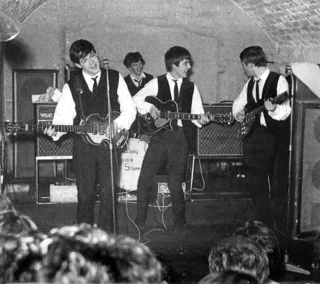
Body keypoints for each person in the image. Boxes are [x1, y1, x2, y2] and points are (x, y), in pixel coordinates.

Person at [44, 39, 136, 234]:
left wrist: (116, 125)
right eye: (85, 60)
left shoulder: (115, 78)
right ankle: (84, 238)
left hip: (110, 145)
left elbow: (130, 109)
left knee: (109, 194)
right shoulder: (71, 86)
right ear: (78, 65)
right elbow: (63, 118)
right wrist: (55, 131)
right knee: (85, 195)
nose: (92, 62)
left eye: (93, 56)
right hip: (83, 149)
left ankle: (107, 238)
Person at [133, 46, 208, 234]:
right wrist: (150, 108)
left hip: (180, 139)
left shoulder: (191, 87)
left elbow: (198, 113)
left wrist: (202, 119)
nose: (189, 67)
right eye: (185, 63)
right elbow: (135, 99)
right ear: (174, 65)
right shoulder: (157, 82)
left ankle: (179, 225)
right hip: (159, 138)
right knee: (145, 178)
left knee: (176, 183)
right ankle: (139, 222)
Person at [232, 46, 291, 227]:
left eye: (244, 65)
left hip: (274, 138)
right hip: (254, 138)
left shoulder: (278, 80)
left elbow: (285, 111)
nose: (243, 69)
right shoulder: (250, 83)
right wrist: (239, 114)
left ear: (251, 64)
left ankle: (278, 225)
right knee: (255, 181)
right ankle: (261, 221)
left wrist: (273, 109)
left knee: (276, 182)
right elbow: (238, 103)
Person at [123, 51, 154, 138]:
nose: (139, 67)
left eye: (140, 64)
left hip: (149, 121)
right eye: (135, 65)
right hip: (133, 122)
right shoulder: (124, 82)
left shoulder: (150, 79)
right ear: (129, 67)